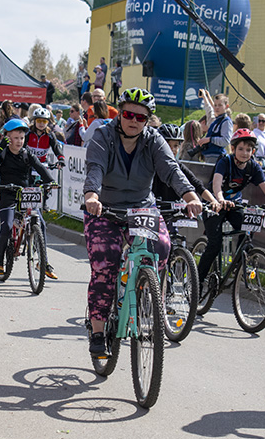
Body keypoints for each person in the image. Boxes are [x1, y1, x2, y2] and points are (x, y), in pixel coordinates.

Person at [83, 88, 202, 356]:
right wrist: (92, 196)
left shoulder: (154, 140)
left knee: (162, 246)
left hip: (141, 208)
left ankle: (146, 294)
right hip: (105, 209)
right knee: (105, 264)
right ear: (120, 114)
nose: (133, 121)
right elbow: (95, 168)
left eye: (141, 117)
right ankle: (99, 330)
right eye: (128, 114)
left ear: (147, 120)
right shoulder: (103, 136)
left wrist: (191, 196)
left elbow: (171, 170)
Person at [197, 129, 265, 289]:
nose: (245, 153)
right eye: (241, 149)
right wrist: (220, 199)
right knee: (214, 244)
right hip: (214, 204)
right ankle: (198, 281)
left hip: (234, 204)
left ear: (253, 151)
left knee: (246, 231)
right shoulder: (225, 161)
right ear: (233, 149)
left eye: (249, 149)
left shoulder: (253, 167)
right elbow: (217, 183)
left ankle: (239, 265)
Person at [0, 119, 58, 279]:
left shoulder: (27, 154)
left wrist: (51, 181)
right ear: (7, 138)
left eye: (22, 138)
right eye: (15, 138)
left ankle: (43, 261)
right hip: (6, 193)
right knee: (6, 225)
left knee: (39, 223)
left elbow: (40, 168)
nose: (19, 141)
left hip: (25, 194)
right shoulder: (3, 152)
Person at [153, 124, 221, 214]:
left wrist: (213, 201)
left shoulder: (178, 166)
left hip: (173, 213)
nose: (172, 149)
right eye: (167, 145)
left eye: (176, 146)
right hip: (151, 211)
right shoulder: (149, 166)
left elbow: (198, 185)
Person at [195, 93, 232, 164]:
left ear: (226, 106)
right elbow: (209, 111)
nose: (217, 107)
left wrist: (210, 139)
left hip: (217, 156)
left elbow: (225, 140)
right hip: (209, 156)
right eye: (215, 105)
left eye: (220, 105)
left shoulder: (226, 121)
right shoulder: (216, 121)